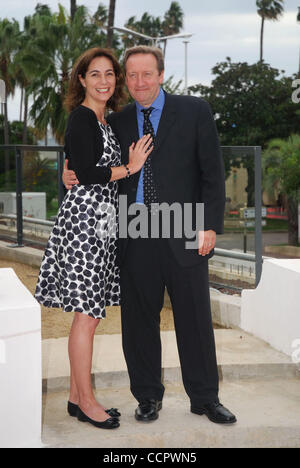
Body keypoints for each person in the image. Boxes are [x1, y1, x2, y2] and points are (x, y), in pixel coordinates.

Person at [63, 46, 236, 425]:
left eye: (147, 74)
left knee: (194, 318)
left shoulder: (195, 111)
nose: (139, 83)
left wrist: (209, 225)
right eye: (132, 75)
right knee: (139, 321)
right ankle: (147, 397)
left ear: (161, 74)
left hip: (185, 227)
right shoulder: (116, 119)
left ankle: (205, 398)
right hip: (133, 230)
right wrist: (67, 170)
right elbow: (83, 151)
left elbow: (212, 171)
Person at [35, 47, 153, 430]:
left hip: (100, 223)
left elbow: (74, 165)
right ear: (81, 80)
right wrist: (130, 167)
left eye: (109, 74)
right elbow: (85, 172)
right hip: (86, 223)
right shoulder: (82, 117)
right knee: (86, 317)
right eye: (95, 74)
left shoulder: (103, 119)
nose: (104, 81)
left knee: (91, 315)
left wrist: (71, 171)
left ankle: (74, 395)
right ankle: (86, 402)